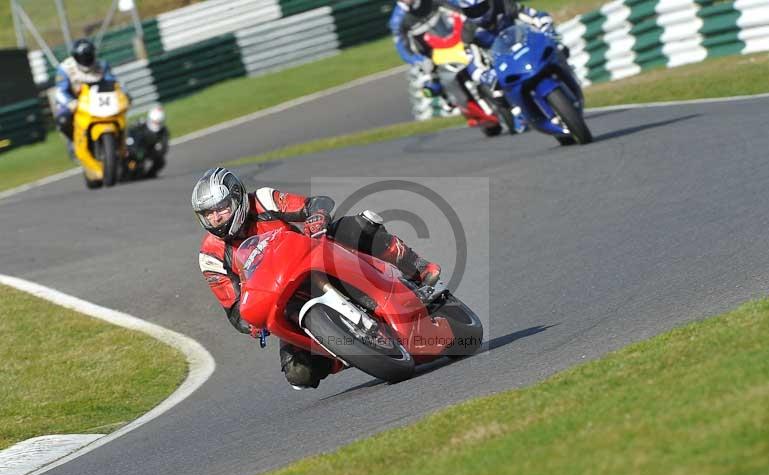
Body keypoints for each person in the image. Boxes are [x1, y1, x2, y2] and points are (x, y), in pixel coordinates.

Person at [192, 168, 441, 390]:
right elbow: (234, 310)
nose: (216, 218)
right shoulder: (210, 256)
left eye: (220, 208)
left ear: (237, 198)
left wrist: (316, 216)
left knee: (353, 228)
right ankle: (345, 352)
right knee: (298, 373)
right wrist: (253, 324)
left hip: (313, 258)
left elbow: (315, 203)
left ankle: (418, 268)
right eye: (208, 214)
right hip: (282, 299)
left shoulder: (263, 201)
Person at [452, 0, 562, 132]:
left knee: (559, 49)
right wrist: (484, 75)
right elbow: (471, 60)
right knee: (497, 92)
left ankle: (566, 77)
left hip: (524, 46)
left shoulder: (504, 6)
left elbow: (533, 15)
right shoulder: (468, 30)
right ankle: (517, 112)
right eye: (472, 11)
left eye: (481, 8)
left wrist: (546, 27)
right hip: (499, 62)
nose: (478, 14)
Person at [54, 38, 119, 156]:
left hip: (99, 102)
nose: (86, 60)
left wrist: (122, 94)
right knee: (63, 120)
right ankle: (74, 143)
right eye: (82, 58)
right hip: (75, 104)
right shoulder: (65, 68)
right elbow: (60, 92)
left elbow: (114, 83)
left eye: (88, 56)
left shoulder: (102, 66)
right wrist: (70, 102)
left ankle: (121, 143)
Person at [389, 0, 455, 98]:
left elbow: (456, 6)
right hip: (430, 55)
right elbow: (401, 48)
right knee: (431, 86)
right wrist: (419, 60)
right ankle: (446, 101)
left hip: (453, 40)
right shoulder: (397, 20)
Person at [126, 105, 169, 177]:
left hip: (149, 150)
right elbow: (129, 135)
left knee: (160, 161)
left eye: (158, 122)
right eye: (155, 122)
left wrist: (158, 151)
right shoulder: (140, 124)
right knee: (130, 164)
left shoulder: (163, 131)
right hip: (136, 150)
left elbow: (164, 147)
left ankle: (150, 174)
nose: (156, 124)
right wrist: (132, 149)